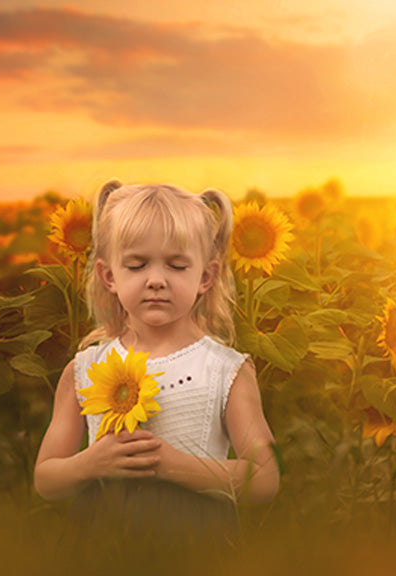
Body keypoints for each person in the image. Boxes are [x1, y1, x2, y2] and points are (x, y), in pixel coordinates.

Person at [33, 182, 279, 561]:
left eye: (177, 265)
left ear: (206, 277)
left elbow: (264, 478)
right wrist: (90, 463)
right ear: (109, 276)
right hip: (101, 538)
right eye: (137, 265)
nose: (156, 279)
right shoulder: (84, 369)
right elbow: (46, 478)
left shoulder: (224, 370)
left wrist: (175, 467)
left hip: (195, 540)